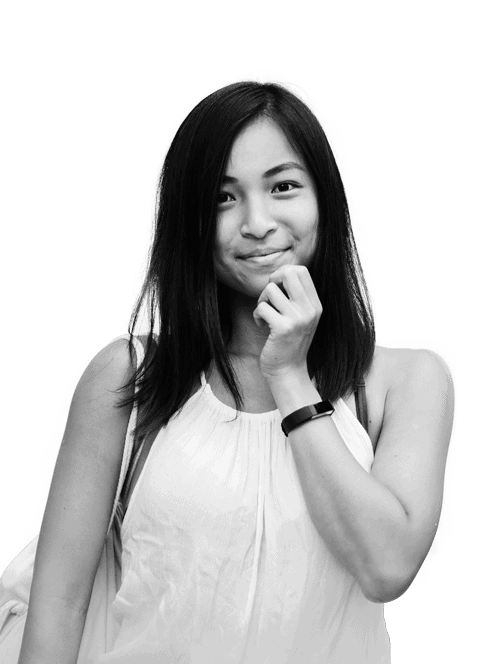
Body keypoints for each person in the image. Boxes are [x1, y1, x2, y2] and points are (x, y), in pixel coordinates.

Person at [15, 79, 454, 663]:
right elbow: (59, 608)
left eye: (283, 186)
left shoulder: (405, 381)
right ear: (190, 221)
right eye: (223, 197)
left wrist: (290, 376)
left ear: (325, 198)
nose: (257, 222)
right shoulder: (128, 378)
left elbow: (387, 568)